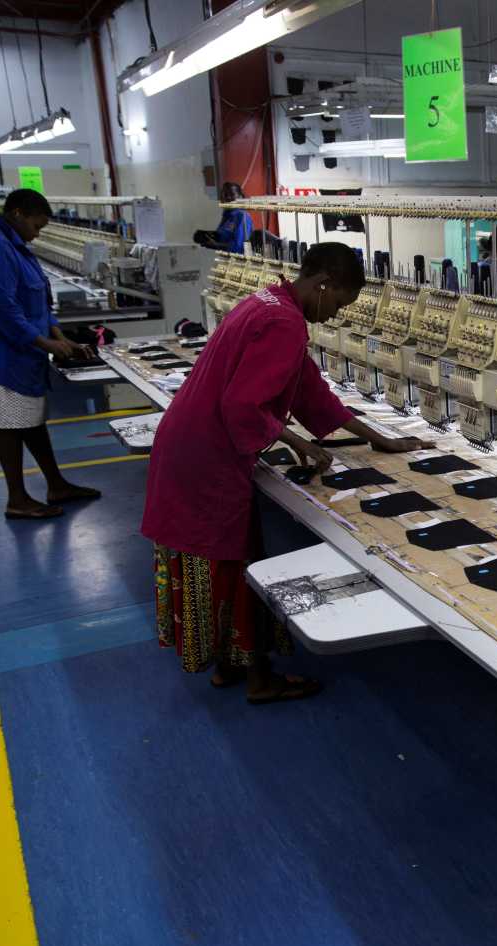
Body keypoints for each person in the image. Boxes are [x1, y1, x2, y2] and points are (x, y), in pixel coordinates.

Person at [141, 242, 426, 703]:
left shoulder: (269, 302)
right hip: (208, 457)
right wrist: (296, 441)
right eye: (338, 304)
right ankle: (258, 680)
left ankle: (229, 667)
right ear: (323, 285)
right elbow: (242, 406)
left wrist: (379, 438)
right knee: (234, 562)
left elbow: (309, 389)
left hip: (191, 443)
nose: (334, 316)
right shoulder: (284, 322)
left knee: (223, 562)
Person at [0, 187, 101, 520]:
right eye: (36, 226)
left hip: (19, 352)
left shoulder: (12, 243)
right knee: (9, 424)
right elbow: (2, 308)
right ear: (18, 214)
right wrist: (45, 344)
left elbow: (36, 299)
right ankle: (17, 499)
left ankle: (56, 485)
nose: (37, 235)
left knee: (31, 421)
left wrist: (60, 336)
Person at [193, 182, 254, 254]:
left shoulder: (242, 217)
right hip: (226, 256)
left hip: (239, 258)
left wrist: (216, 245)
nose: (228, 197)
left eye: (232, 194)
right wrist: (207, 236)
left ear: (241, 196)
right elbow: (222, 237)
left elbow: (238, 247)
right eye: (225, 195)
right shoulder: (227, 215)